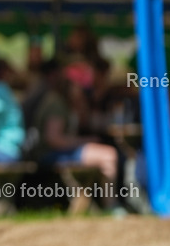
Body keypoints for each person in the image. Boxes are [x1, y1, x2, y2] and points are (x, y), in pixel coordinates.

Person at [29, 59, 121, 211]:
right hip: (48, 154)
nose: (86, 91)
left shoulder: (68, 102)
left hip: (60, 151)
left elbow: (86, 121)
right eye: (83, 87)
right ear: (71, 85)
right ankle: (111, 205)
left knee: (106, 152)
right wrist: (84, 141)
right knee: (108, 155)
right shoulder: (56, 103)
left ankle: (101, 204)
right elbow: (53, 139)